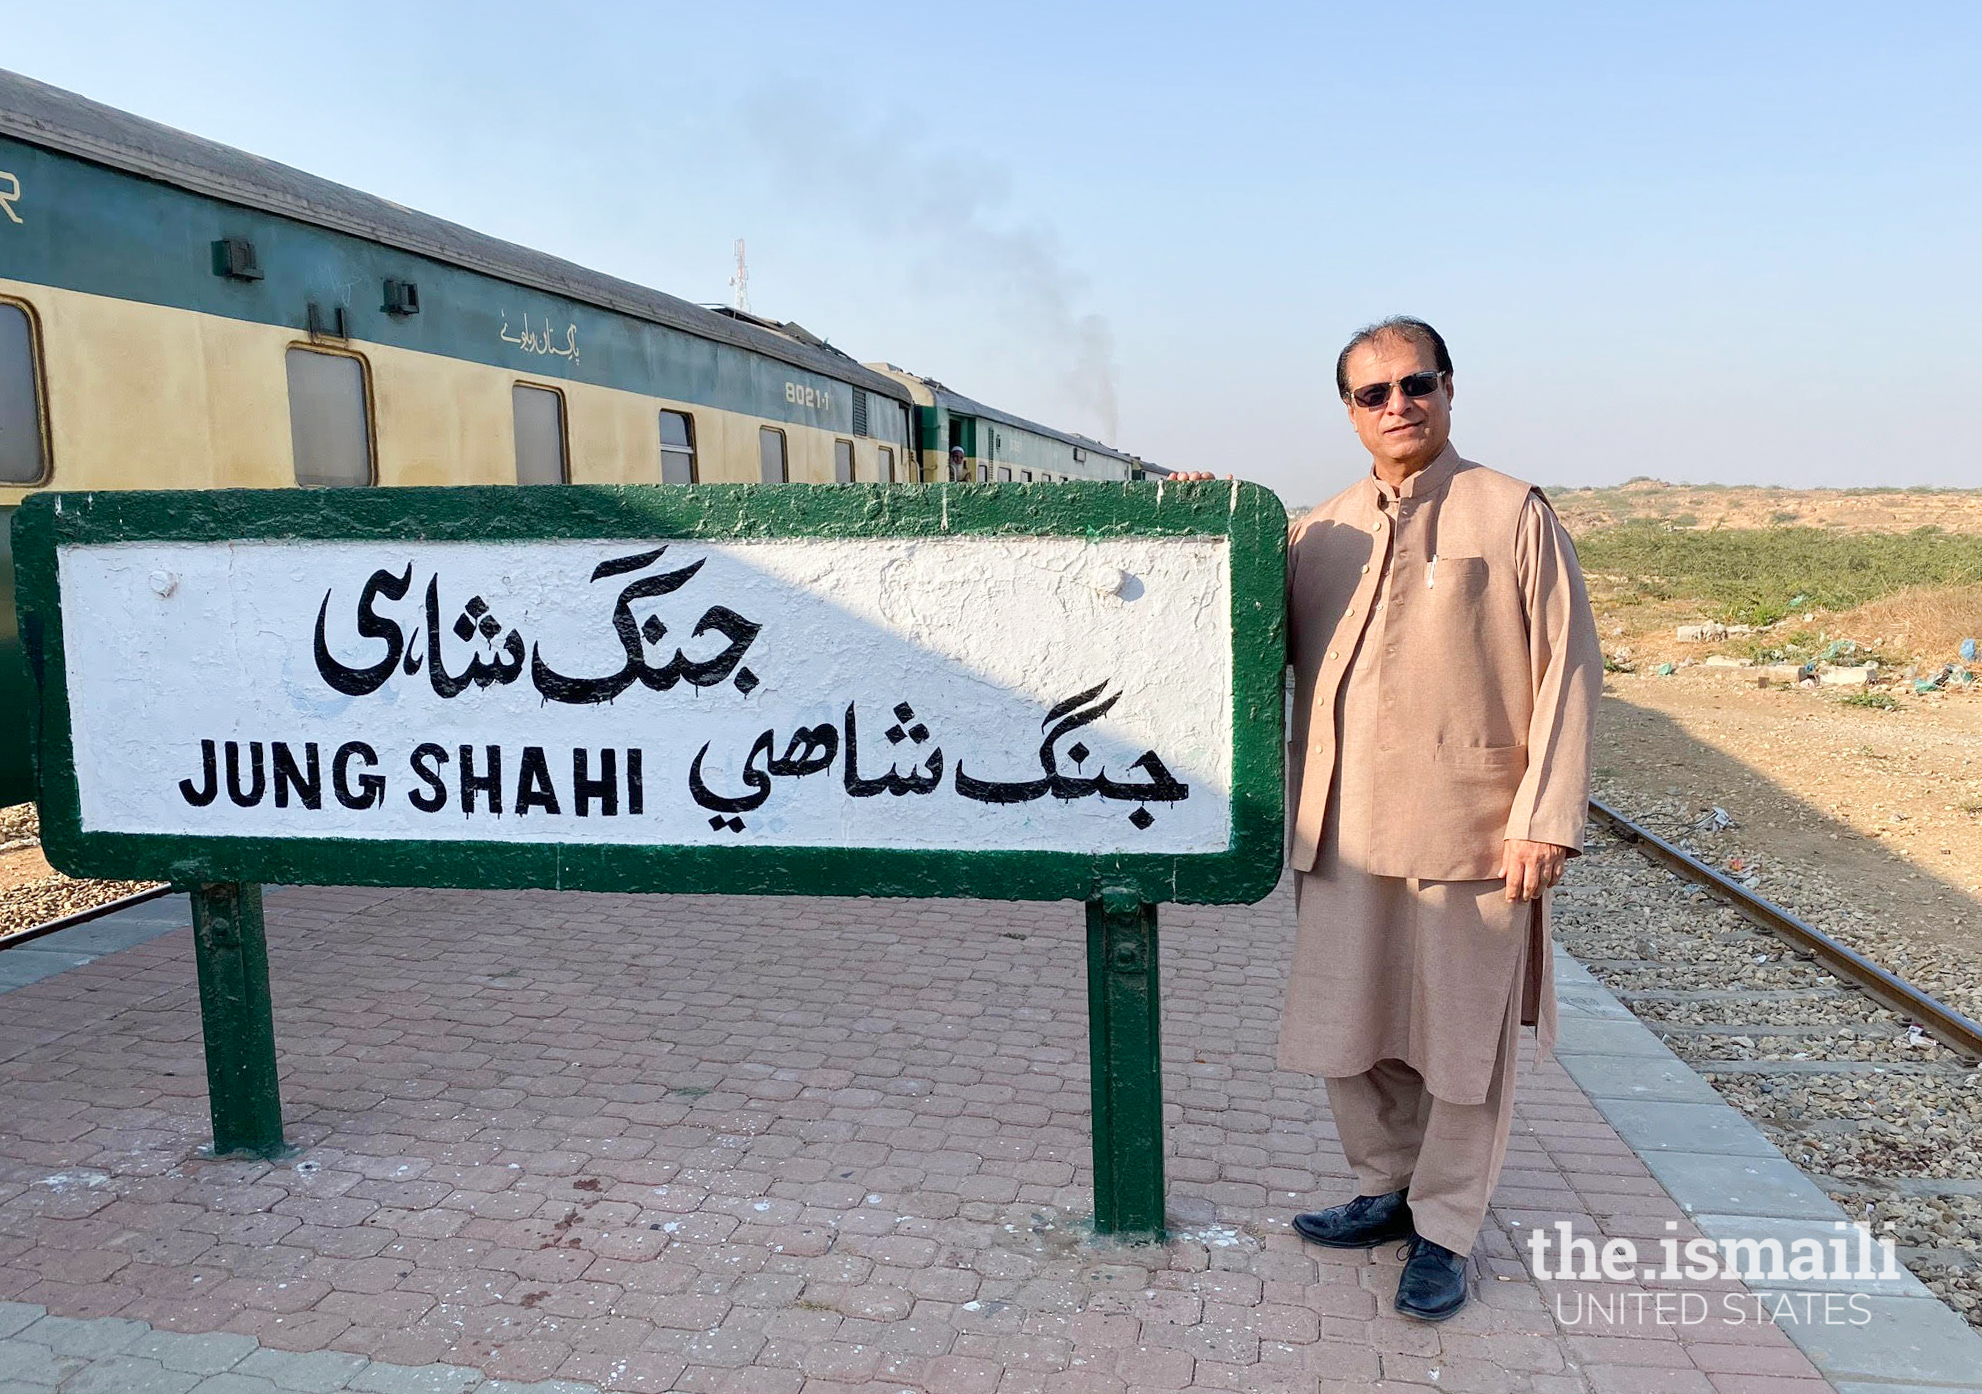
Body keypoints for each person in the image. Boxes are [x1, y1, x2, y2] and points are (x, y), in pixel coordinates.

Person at [1213, 317, 1602, 1321]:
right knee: (1354, 1028)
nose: (1396, 404)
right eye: (1371, 393)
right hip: (1342, 827)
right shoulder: (1321, 530)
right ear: (1347, 413)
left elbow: (1568, 669)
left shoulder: (1509, 511)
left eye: (1412, 383)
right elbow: (1238, 631)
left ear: (1446, 388)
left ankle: (1444, 1226)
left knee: (1461, 1040)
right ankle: (1385, 1186)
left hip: (1470, 832)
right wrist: (1188, 530)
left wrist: (1542, 816)